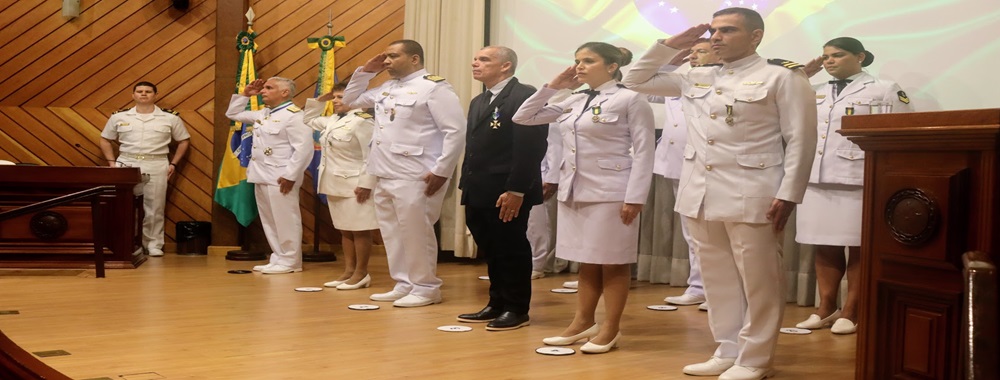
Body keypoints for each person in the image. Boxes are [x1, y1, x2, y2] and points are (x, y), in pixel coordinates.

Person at [623, 8, 817, 380]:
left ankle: (756, 358)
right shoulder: (696, 76)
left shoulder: (781, 76)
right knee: (717, 278)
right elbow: (635, 79)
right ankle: (727, 349)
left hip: (753, 192)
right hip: (699, 192)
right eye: (713, 30)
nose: (716, 37)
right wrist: (668, 46)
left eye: (727, 30)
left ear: (756, 36)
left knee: (760, 281)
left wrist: (790, 192)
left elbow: (801, 139)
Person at [513, 42, 654, 354]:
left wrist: (635, 197)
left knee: (613, 261)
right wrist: (554, 86)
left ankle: (610, 328)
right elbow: (523, 117)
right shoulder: (574, 98)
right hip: (575, 189)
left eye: (588, 61)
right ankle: (582, 322)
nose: (579, 66)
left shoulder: (630, 99)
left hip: (612, 190)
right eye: (577, 60)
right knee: (587, 259)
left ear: (612, 66)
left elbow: (645, 151)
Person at [794, 37, 913, 335]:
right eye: (825, 57)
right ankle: (825, 308)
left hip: (858, 177)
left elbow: (900, 131)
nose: (829, 61)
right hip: (816, 177)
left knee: (858, 245)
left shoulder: (884, 88)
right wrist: (799, 77)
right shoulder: (814, 90)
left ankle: (852, 310)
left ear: (860, 56)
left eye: (837, 55)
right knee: (823, 243)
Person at [341, 40, 466, 308]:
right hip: (385, 170)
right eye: (385, 56)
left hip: (417, 173)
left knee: (416, 233)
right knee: (392, 233)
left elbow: (455, 132)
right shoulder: (387, 87)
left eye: (393, 56)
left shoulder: (434, 87)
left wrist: (442, 170)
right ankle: (404, 283)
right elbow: (349, 100)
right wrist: (366, 71)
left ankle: (426, 287)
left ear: (414, 59)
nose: (386, 61)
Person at [456, 46, 548, 331]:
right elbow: (474, 146)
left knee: (511, 248)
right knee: (491, 248)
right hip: (479, 186)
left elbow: (531, 148)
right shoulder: (480, 99)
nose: (475, 63)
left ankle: (516, 308)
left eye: (484, 59)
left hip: (507, 189)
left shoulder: (524, 95)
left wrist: (517, 190)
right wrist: (466, 183)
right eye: (475, 58)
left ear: (505, 66)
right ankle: (496, 303)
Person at [226, 77, 314, 274]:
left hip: (281, 176)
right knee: (269, 220)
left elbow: (304, 149)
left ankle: (291, 260)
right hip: (261, 173)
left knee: (285, 219)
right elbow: (232, 114)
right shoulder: (264, 113)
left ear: (284, 93)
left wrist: (291, 175)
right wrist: (245, 95)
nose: (263, 91)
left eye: (269, 88)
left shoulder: (294, 116)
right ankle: (278, 257)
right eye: (264, 88)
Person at [303, 82, 380, 290]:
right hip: (334, 182)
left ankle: (361, 273)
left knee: (360, 230)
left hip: (356, 184)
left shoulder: (363, 122)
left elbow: (371, 156)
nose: (335, 101)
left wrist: (366, 184)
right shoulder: (333, 120)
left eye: (340, 97)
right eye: (334, 97)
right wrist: (320, 100)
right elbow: (308, 119)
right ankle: (348, 271)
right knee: (345, 230)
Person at [100, 81, 190, 257]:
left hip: (156, 163)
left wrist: (173, 163)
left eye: (148, 91)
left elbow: (184, 140)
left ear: (155, 95)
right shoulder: (119, 117)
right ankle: (126, 243)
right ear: (133, 95)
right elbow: (105, 139)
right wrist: (111, 162)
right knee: (125, 206)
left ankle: (153, 244)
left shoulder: (170, 118)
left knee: (155, 206)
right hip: (127, 163)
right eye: (139, 91)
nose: (143, 94)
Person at [527, 121, 562, 280]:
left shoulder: (548, 119)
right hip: (521, 175)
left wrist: (552, 178)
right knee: (527, 225)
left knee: (539, 225)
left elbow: (554, 148)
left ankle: (538, 265)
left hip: (541, 177)